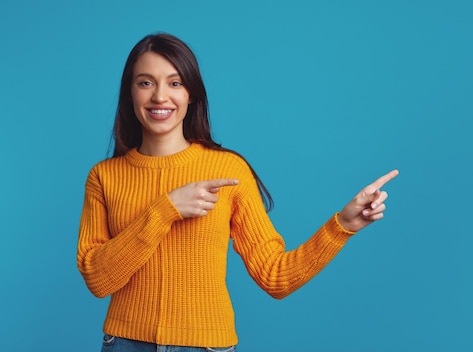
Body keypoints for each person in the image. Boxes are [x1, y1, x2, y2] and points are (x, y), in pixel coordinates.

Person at [77, 32, 399, 352]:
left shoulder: (228, 170)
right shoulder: (104, 177)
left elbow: (275, 277)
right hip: (124, 344)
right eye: (145, 82)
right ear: (129, 93)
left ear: (192, 95)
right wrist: (165, 210)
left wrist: (342, 226)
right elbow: (98, 280)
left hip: (206, 346)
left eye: (175, 83)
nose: (160, 96)